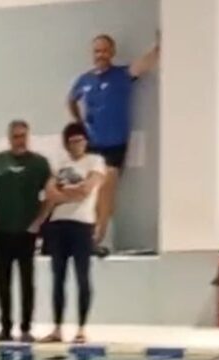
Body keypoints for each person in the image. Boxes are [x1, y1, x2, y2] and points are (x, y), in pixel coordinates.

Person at [68, 32, 160, 252]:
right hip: (93, 144)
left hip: (115, 143)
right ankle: (89, 237)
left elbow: (143, 64)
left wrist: (159, 47)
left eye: (105, 50)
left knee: (108, 183)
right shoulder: (85, 80)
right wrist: (80, 123)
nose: (101, 55)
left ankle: (99, 236)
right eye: (97, 51)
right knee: (92, 191)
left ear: (112, 52)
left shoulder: (121, 75)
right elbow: (71, 100)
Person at [0, 121, 52, 342]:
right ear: (9, 138)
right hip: (1, 230)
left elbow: (51, 195)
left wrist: (38, 222)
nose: (20, 140)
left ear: (28, 137)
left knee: (26, 280)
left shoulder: (39, 163)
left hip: (26, 231)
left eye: (23, 136)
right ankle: (5, 328)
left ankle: (26, 328)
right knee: (3, 281)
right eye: (16, 136)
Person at [44, 122, 106, 343]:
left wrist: (64, 191)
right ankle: (57, 328)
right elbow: (50, 193)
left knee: (82, 276)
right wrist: (71, 192)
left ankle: (81, 328)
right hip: (58, 223)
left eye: (79, 140)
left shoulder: (95, 161)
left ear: (85, 141)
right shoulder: (60, 164)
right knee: (58, 278)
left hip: (82, 223)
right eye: (71, 141)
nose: (75, 145)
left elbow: (87, 190)